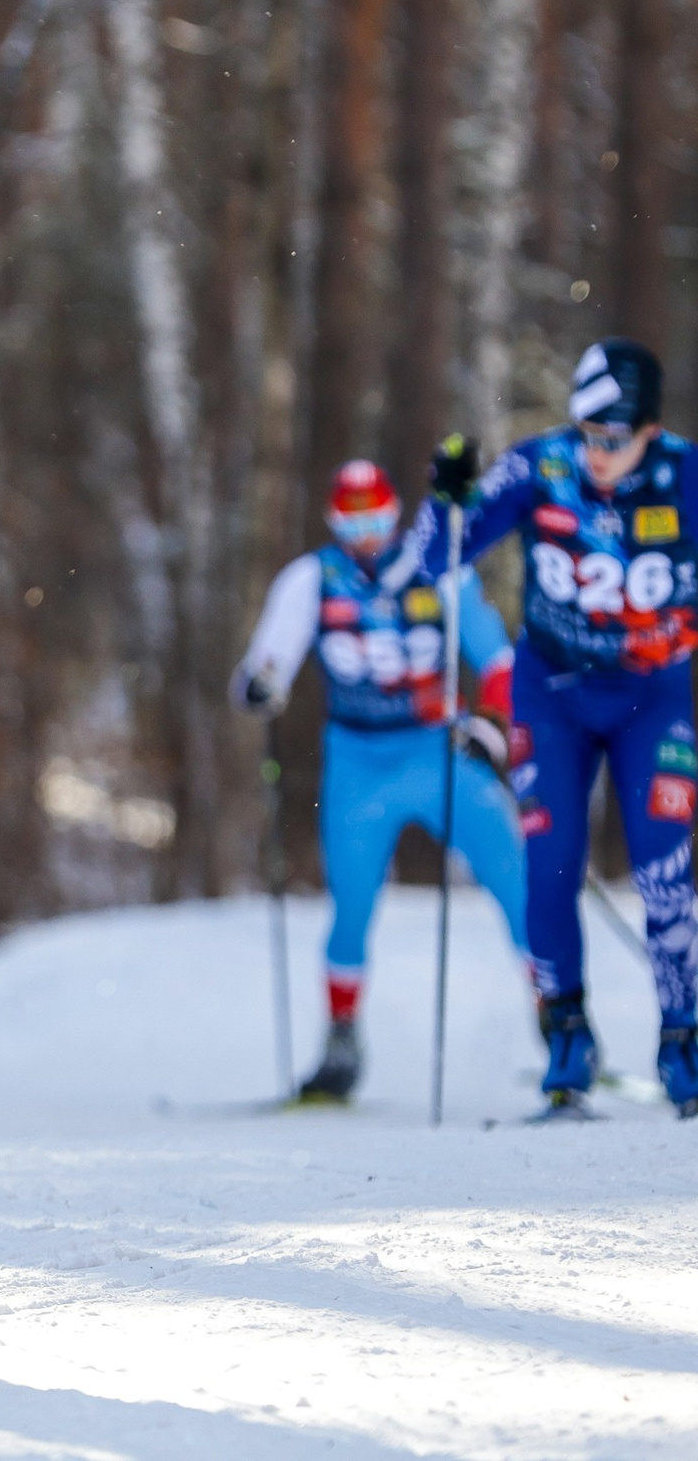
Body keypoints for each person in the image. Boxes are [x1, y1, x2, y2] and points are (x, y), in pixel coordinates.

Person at [419, 339, 698, 1116]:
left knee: (662, 870)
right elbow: (427, 558)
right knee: (549, 864)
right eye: (587, 432)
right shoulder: (540, 466)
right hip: (554, 695)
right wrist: (445, 499)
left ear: (649, 428)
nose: (596, 452)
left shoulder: (688, 475)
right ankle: (568, 1038)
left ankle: (684, 1039)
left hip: (654, 698)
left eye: (613, 436)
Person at [231, 461, 530, 1103]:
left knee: (517, 881)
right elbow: (266, 662)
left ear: (395, 514)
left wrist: (492, 727)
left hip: (439, 755)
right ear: (334, 522)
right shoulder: (313, 578)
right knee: (352, 907)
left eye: (376, 518)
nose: (365, 534)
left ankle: (560, 1021)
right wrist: (263, 685)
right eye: (351, 521)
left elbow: (500, 661)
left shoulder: (442, 567)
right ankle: (341, 1042)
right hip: (359, 766)